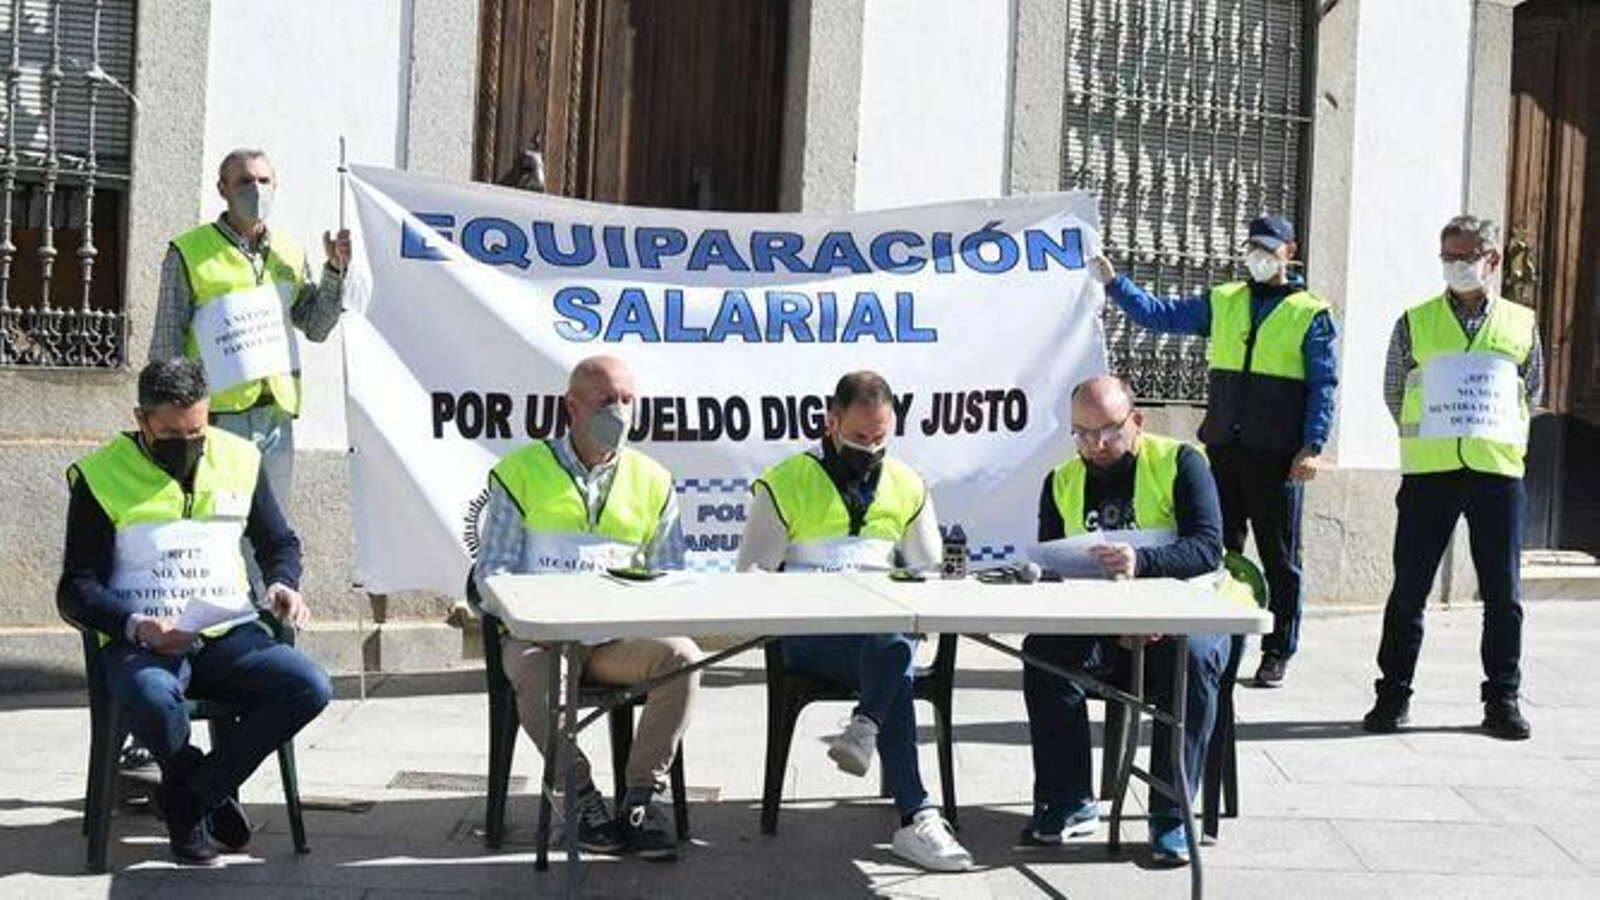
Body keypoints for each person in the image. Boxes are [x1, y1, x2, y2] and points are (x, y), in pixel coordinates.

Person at [56, 358, 332, 865]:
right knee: (152, 697)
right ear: (142, 420)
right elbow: (76, 587)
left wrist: (282, 584)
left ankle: (189, 797)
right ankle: (198, 808)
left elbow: (279, 542)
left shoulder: (240, 459)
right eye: (170, 433)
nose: (186, 442)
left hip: (228, 632)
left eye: (197, 431)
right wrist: (135, 626)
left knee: (309, 685)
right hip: (146, 639)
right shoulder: (101, 476)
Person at [736, 370, 974, 873]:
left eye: (881, 436)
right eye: (859, 436)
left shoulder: (909, 484)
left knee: (893, 644)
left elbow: (927, 572)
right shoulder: (785, 481)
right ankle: (917, 815)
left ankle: (870, 738)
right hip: (808, 639)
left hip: (879, 638)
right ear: (831, 422)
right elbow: (751, 579)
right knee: (895, 658)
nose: (870, 446)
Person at [1088, 214, 1337, 688]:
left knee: (1280, 558)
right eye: (1252, 248)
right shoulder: (1224, 301)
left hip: (1277, 454)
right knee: (1215, 550)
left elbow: (1324, 385)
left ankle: (1278, 649)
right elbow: (1159, 316)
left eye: (1268, 249)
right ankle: (1214, 639)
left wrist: (1312, 446)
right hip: (1224, 447)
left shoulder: (1311, 313)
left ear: (1290, 250)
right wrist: (1115, 282)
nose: (1258, 258)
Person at [473, 355, 700, 860]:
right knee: (535, 675)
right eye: (605, 402)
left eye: (626, 400)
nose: (618, 412)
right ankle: (578, 797)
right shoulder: (519, 472)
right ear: (571, 408)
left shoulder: (654, 479)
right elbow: (494, 575)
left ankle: (641, 798)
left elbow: (670, 574)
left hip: (616, 641)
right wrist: (539, 613)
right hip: (543, 638)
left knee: (683, 656)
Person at [1022, 375, 1230, 866]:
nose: (1096, 445)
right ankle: (1070, 800)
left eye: (1110, 432)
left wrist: (1142, 564)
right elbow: (1056, 566)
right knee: (1042, 650)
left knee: (1194, 657)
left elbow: (1207, 546)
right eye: (1082, 433)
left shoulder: (1181, 463)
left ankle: (1171, 817)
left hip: (1180, 618)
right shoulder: (1061, 481)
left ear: (1136, 421)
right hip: (1102, 624)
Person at [1363, 215, 1543, 741]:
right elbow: (1396, 392)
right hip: (1431, 473)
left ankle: (1502, 700)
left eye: (1466, 257)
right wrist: (1432, 432)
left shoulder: (1521, 322)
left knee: (1503, 594)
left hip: (1496, 473)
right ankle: (1392, 697)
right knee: (1409, 590)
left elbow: (1528, 392)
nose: (1456, 267)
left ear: (1491, 260)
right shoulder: (1415, 320)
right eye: (1448, 257)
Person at [150, 148, 352, 506]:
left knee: (270, 535)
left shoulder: (290, 252)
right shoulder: (188, 251)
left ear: (276, 187)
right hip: (215, 418)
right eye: (244, 181)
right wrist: (173, 423)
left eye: (263, 181)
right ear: (222, 188)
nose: (255, 190)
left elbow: (316, 327)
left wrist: (334, 271)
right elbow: (167, 344)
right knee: (218, 522)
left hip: (276, 418)